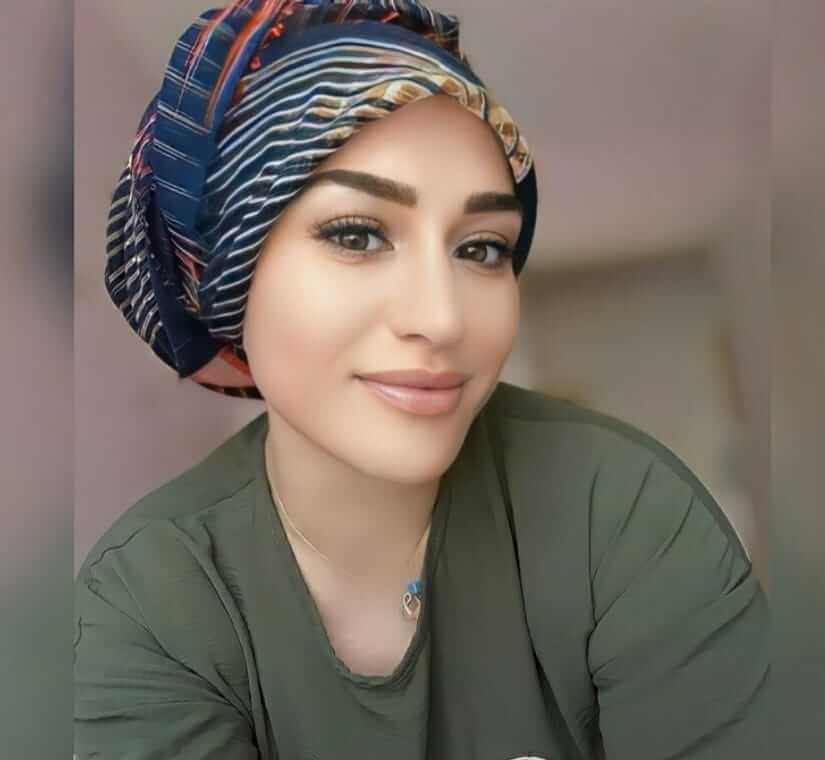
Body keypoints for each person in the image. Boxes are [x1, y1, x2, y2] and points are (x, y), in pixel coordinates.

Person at [74, 2, 771, 758]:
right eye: (356, 235)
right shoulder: (152, 596)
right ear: (225, 279)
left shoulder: (624, 512)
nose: (442, 318)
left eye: (481, 248)